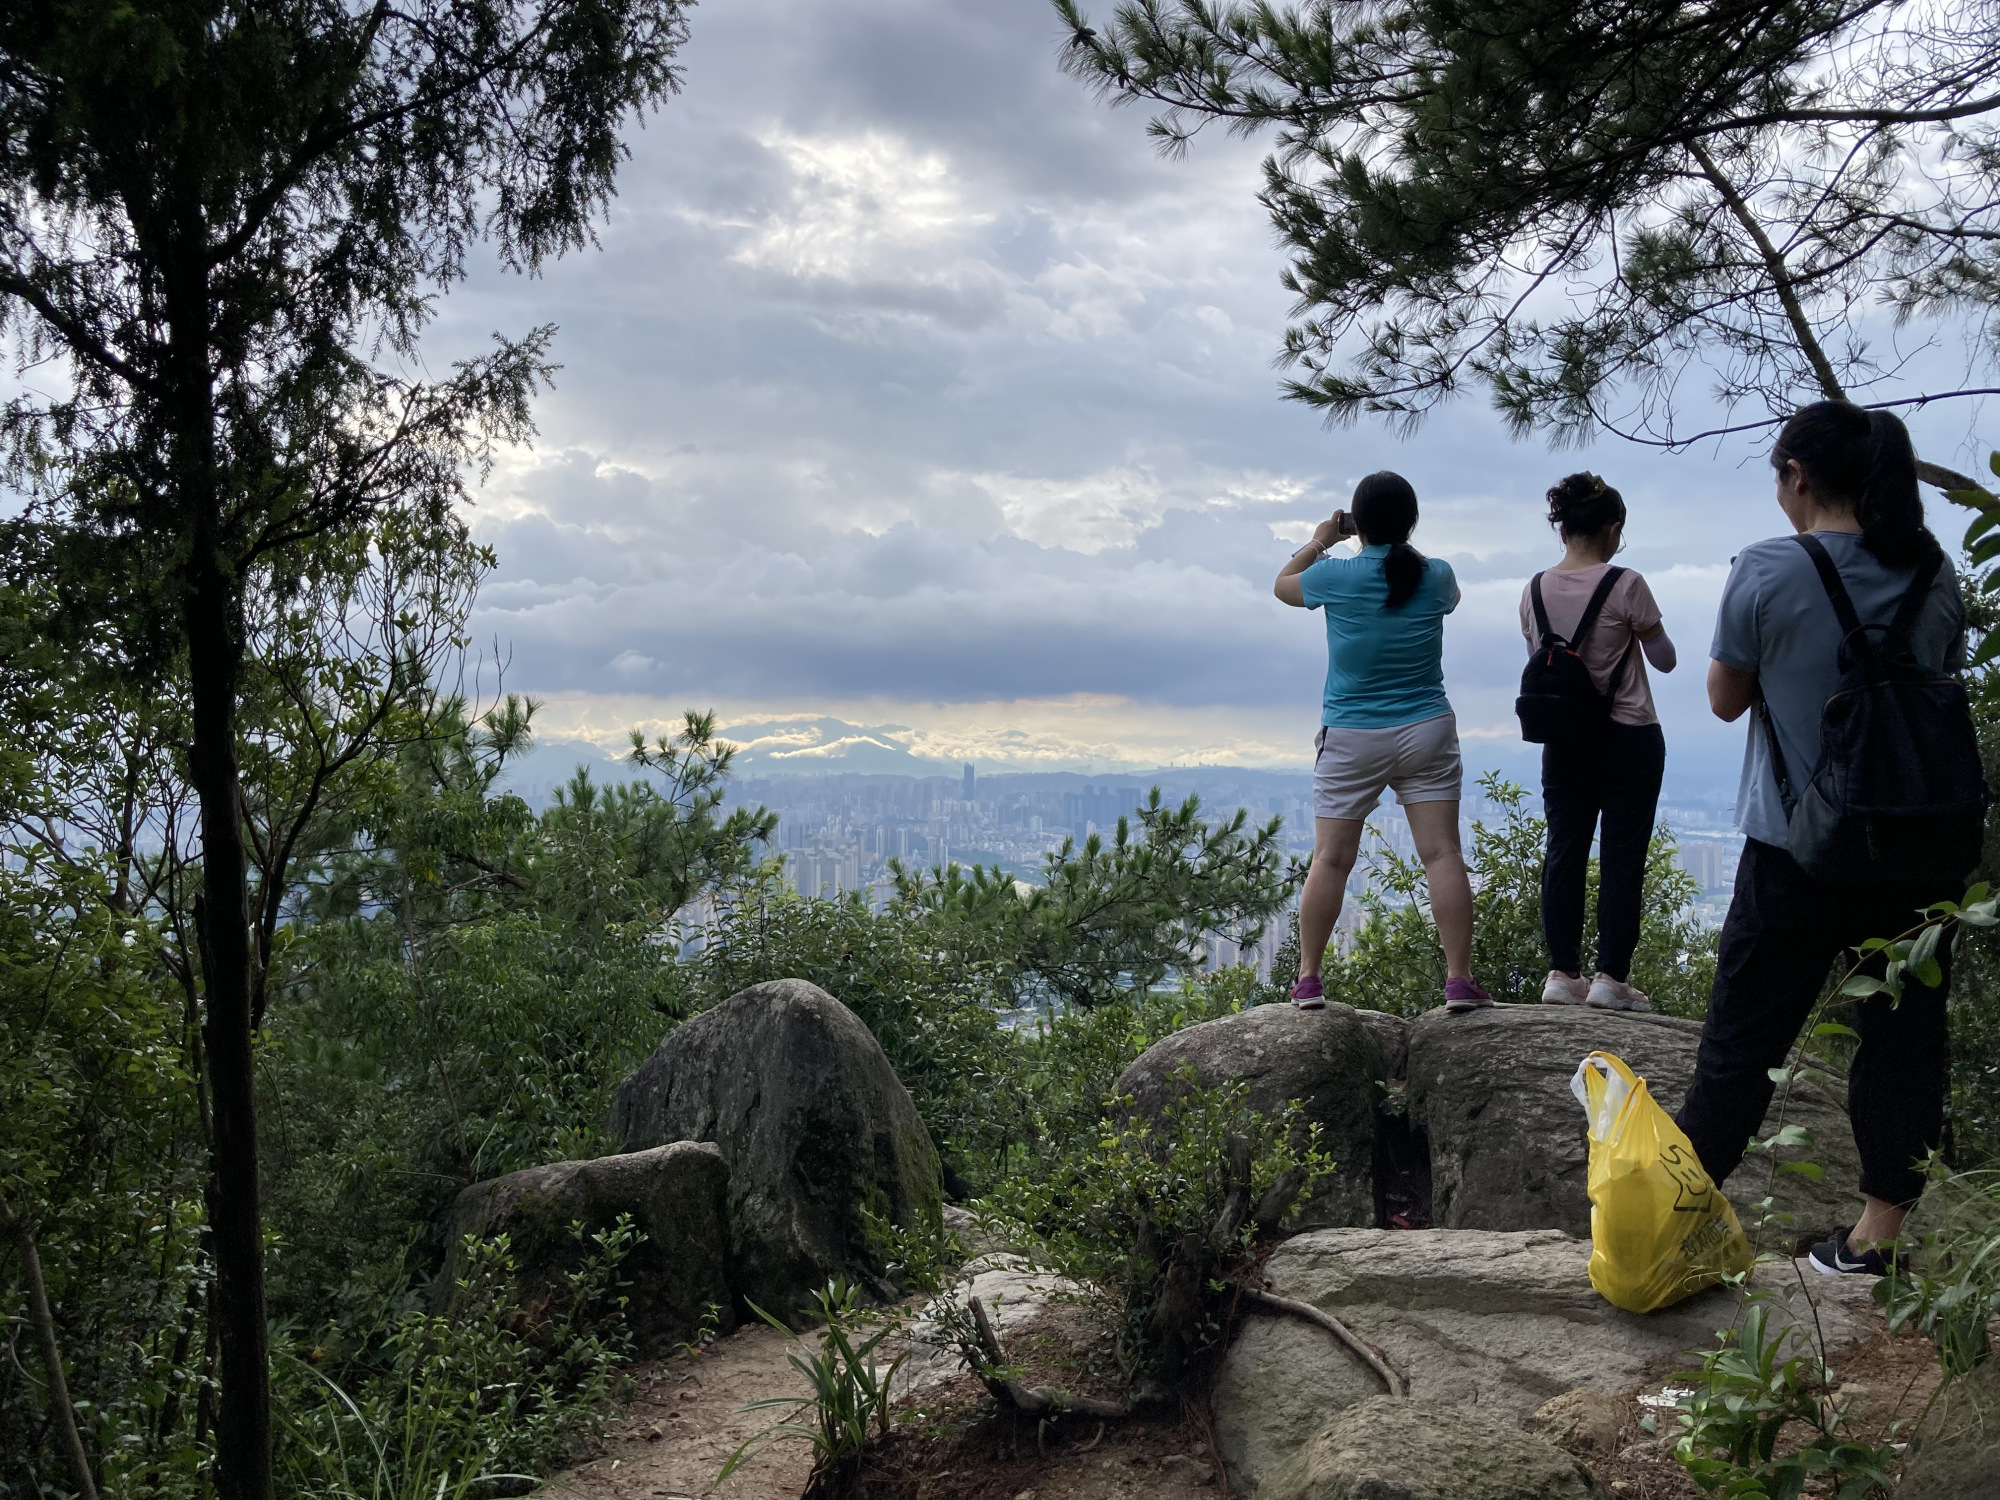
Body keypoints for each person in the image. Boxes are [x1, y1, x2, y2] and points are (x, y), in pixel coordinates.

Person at [1673, 401, 1967, 1277]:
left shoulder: (1766, 569)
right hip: (1917, 846)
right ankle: (1875, 1242)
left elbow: (1726, 699)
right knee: (1904, 1036)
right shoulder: (1932, 572)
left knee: (1741, 1046)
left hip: (1795, 851)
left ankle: (1680, 1231)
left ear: (1797, 478)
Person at [1274, 471, 1491, 1013]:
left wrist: (1324, 538)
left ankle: (1309, 980)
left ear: (1358, 522)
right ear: (1412, 521)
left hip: (1351, 734)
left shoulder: (1335, 576)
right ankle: (1460, 981)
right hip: (1427, 728)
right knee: (1442, 853)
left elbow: (1282, 583)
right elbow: (1448, 595)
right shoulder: (1437, 576)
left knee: (1330, 860)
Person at [1519, 473, 1678, 1012]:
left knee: (1564, 849)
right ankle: (1611, 978)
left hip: (1563, 739)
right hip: (1629, 735)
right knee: (1622, 854)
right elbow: (1666, 658)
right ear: (1613, 530)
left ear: (1562, 531)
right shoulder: (1626, 583)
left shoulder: (1533, 589)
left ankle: (1562, 973)